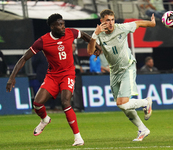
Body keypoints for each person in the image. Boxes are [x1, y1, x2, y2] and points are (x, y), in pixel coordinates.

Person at [6, 13, 99, 146]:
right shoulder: (42, 41)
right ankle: (44, 119)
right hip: (52, 76)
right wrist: (11, 77)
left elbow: (84, 35)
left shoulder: (70, 32)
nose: (62, 27)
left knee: (66, 102)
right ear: (52, 27)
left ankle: (78, 137)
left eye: (63, 24)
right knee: (37, 104)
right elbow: (24, 58)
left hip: (68, 74)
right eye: (59, 25)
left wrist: (95, 45)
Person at [87, 9, 155, 141]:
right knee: (124, 107)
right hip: (114, 72)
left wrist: (151, 24)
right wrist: (95, 34)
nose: (111, 23)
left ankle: (145, 102)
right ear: (102, 21)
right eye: (108, 20)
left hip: (127, 67)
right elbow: (90, 51)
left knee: (122, 103)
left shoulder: (121, 28)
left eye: (112, 20)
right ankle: (142, 129)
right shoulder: (99, 35)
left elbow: (138, 23)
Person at [72, 42, 84, 112]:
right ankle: (76, 106)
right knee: (75, 91)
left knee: (79, 90)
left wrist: (80, 68)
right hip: (72, 75)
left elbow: (77, 65)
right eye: (73, 47)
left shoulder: (75, 56)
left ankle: (80, 105)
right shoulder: (68, 55)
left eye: (75, 47)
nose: (74, 48)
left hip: (78, 75)